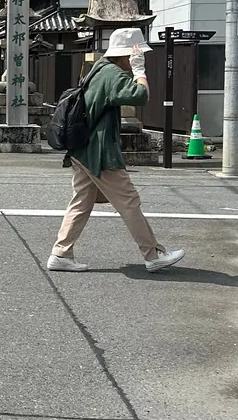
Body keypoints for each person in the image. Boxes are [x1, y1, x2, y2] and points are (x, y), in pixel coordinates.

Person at [48, 27, 185, 274]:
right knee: (129, 201)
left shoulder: (98, 69)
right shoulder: (112, 74)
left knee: (81, 202)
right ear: (126, 55)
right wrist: (139, 70)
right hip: (99, 152)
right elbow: (141, 95)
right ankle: (152, 255)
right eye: (136, 54)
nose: (138, 57)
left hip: (82, 149)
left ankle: (61, 253)